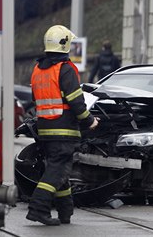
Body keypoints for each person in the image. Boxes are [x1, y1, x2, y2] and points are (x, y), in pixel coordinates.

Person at [27, 25, 99, 226]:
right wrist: (90, 121)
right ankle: (38, 209)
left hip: (45, 130)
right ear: (65, 44)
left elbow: (37, 99)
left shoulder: (38, 69)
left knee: (60, 171)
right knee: (57, 171)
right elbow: (76, 101)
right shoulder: (65, 69)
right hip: (64, 130)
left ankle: (65, 212)